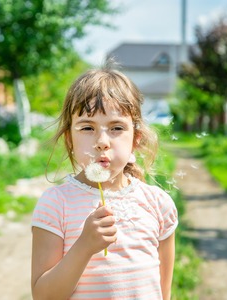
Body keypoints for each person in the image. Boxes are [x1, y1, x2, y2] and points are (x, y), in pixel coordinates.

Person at [31, 63, 178, 300]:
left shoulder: (159, 204)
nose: (101, 141)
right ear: (70, 139)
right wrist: (84, 247)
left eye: (116, 127)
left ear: (135, 139)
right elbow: (43, 296)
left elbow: (164, 293)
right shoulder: (56, 204)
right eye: (87, 127)